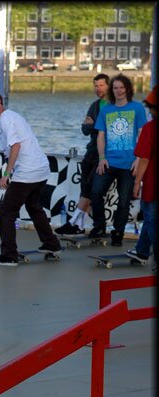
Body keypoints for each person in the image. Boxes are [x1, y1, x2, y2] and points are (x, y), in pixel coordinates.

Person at [0, 88, 61, 266]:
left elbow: (15, 146)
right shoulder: (13, 116)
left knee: (5, 212)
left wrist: (6, 174)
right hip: (41, 169)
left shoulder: (6, 119)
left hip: (28, 172)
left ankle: (9, 255)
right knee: (33, 206)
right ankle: (52, 244)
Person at [89, 73, 147, 246]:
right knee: (95, 192)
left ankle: (118, 232)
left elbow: (142, 135)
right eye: (115, 88)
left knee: (124, 201)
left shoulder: (137, 108)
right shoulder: (106, 109)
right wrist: (102, 158)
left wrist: (138, 158)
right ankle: (99, 226)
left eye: (122, 87)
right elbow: (101, 136)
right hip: (109, 162)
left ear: (127, 89)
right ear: (111, 90)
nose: (119, 91)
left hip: (129, 164)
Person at [55, 73, 110, 236]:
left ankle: (75, 223)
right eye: (96, 86)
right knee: (85, 188)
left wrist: (93, 125)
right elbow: (85, 129)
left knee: (92, 189)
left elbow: (109, 130)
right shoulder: (94, 105)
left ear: (109, 86)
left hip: (105, 154)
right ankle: (77, 224)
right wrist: (92, 126)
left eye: (101, 85)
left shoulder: (114, 106)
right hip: (90, 152)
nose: (98, 89)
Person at [126, 85, 157, 268]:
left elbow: (144, 159)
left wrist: (137, 183)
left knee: (151, 219)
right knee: (150, 219)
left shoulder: (149, 128)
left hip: (152, 184)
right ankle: (142, 251)